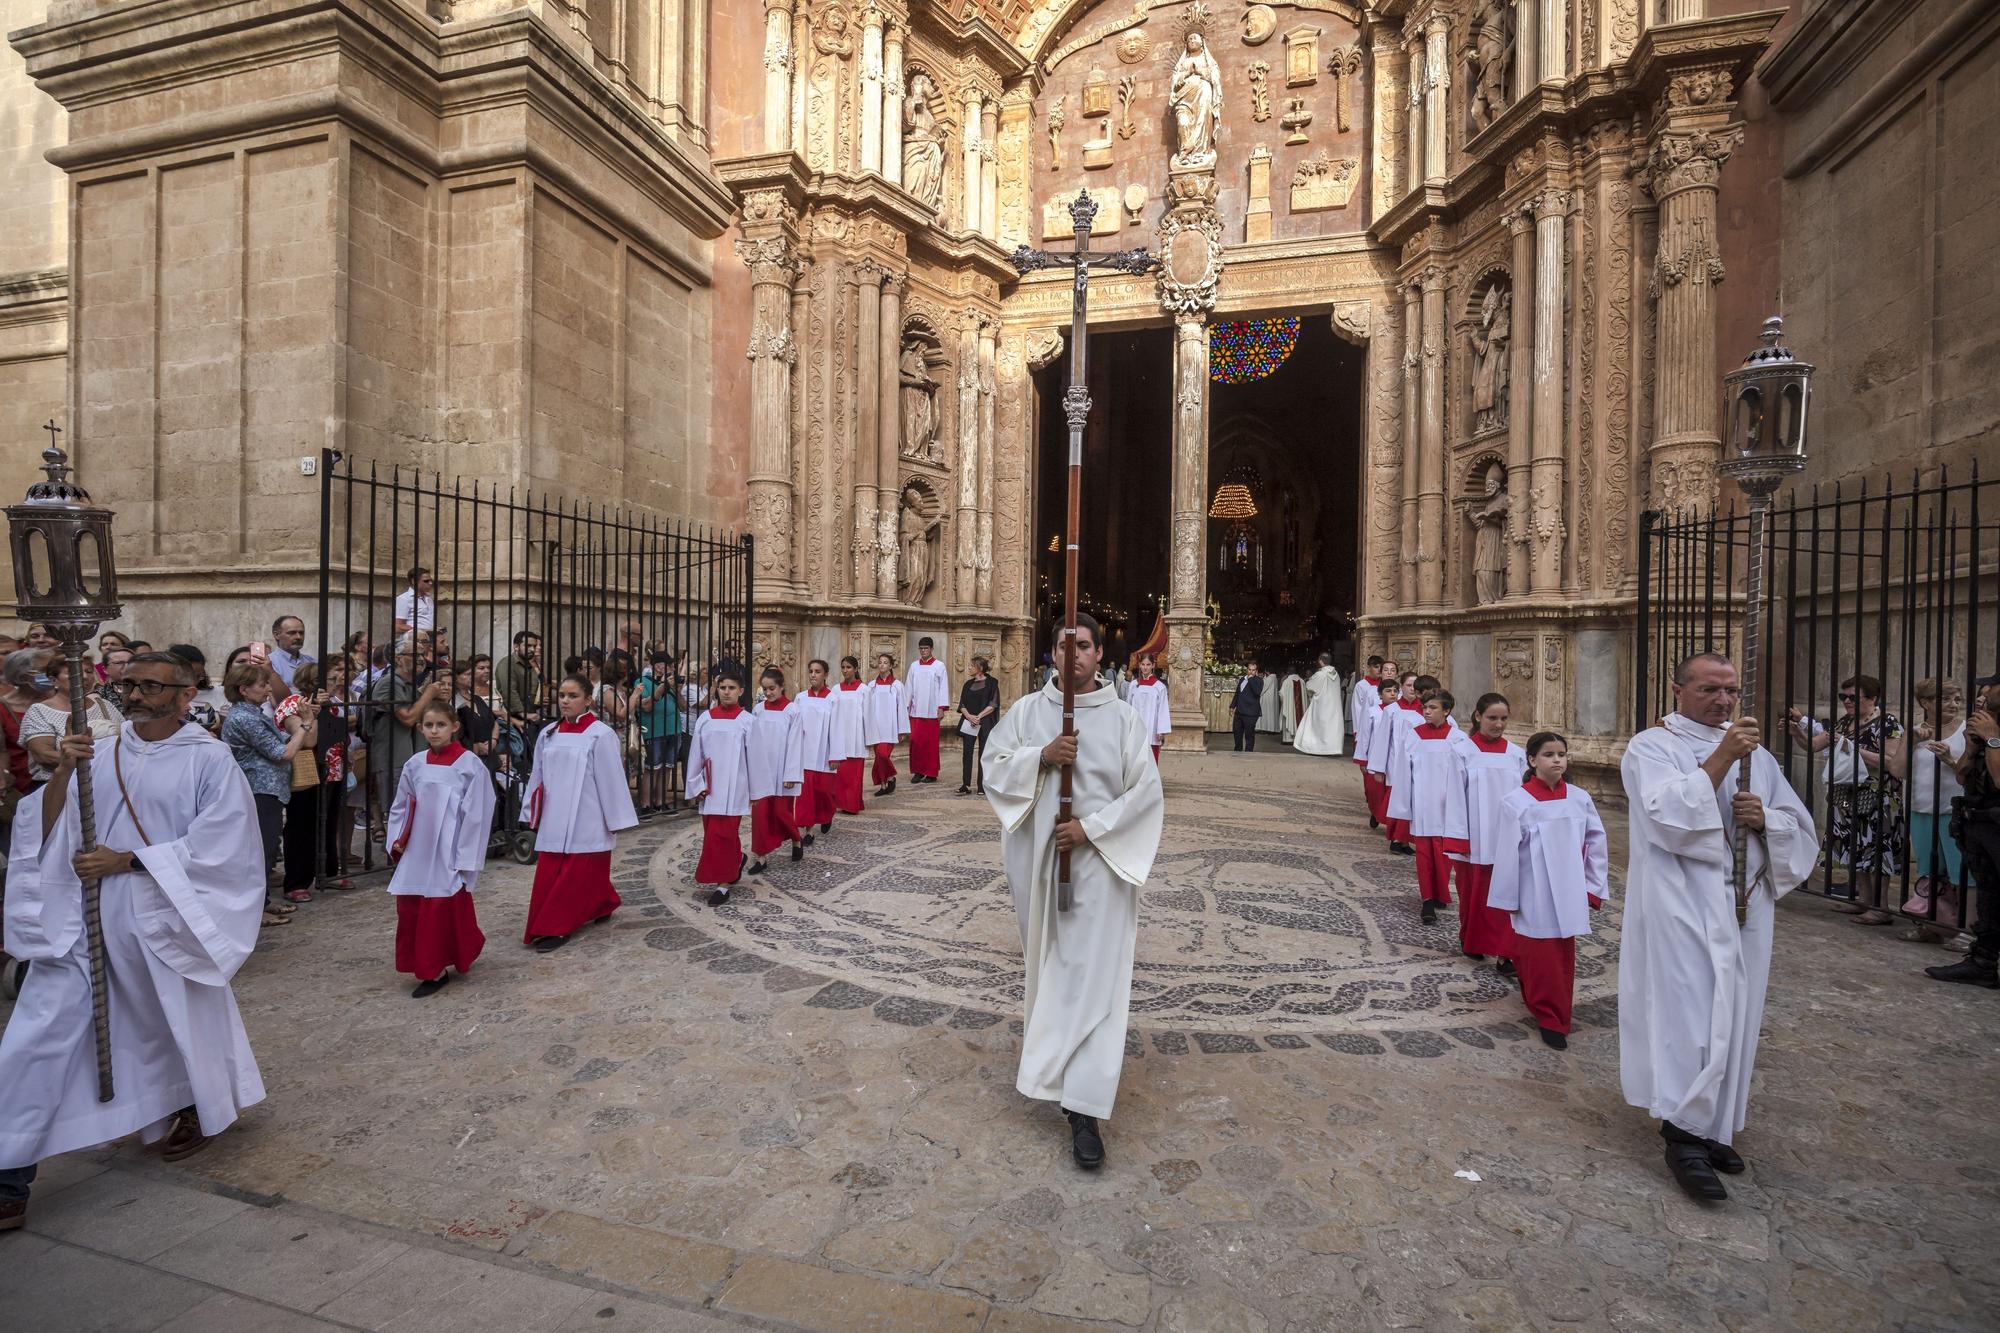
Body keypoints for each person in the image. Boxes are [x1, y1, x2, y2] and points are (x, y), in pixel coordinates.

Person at [0, 652, 267, 1229]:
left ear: (185, 696)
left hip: (166, 915)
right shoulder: (100, 751)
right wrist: (66, 772)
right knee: (36, 1035)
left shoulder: (211, 760)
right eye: (128, 685)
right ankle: (8, 1177)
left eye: (150, 685)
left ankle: (195, 1099)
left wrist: (129, 860)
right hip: (83, 920)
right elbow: (46, 827)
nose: (137, 694)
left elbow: (226, 846)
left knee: (172, 1019)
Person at [1621, 652, 1819, 1201]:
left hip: (1745, 901)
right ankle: (1681, 1135)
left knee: (1738, 1010)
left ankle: (1713, 1126)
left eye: (1730, 691)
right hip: (1681, 901)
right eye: (1710, 689)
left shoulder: (1758, 756)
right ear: (1676, 689)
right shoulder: (1651, 747)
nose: (1724, 701)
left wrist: (1766, 821)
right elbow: (1666, 816)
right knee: (1688, 1012)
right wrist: (1721, 761)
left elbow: (1797, 826)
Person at [982, 613, 1164, 1170]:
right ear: (1051, 654)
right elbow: (993, 766)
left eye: (1083, 646)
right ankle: (1055, 1070)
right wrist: (1041, 758)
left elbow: (1145, 795)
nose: (1074, 655)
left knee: (1092, 979)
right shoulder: (1026, 714)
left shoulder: (1125, 720)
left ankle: (1084, 1109)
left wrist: (1090, 829)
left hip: (1101, 869)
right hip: (1038, 868)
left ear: (1100, 654)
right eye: (1064, 646)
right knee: (1053, 969)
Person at [1488, 731, 1609, 1049]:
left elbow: (1596, 841)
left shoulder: (1579, 798)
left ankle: (1556, 1014)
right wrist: (1509, 898)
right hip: (1534, 888)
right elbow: (1507, 853)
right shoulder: (1517, 802)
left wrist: (1593, 886)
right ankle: (1545, 1010)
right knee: (1537, 953)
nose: (1557, 760)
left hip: (1569, 886)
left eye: (1561, 754)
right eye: (1549, 754)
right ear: (1532, 760)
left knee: (1562, 953)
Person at [384, 697, 494, 998]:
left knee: (442, 906)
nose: (435, 731)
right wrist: (396, 840)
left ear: (454, 727)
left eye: (441, 725)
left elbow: (477, 814)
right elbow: (401, 804)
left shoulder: (469, 765)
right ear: (420, 728)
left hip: (449, 848)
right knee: (412, 906)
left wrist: (466, 856)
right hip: (418, 847)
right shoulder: (415, 764)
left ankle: (434, 968)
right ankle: (427, 960)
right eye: (429, 725)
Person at [522, 674, 639, 951]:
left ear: (588, 700)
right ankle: (602, 903)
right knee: (553, 869)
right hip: (553, 812)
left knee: (578, 870)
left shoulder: (600, 734)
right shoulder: (548, 733)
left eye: (572, 696)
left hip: (587, 813)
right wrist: (531, 809)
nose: (565, 701)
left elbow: (611, 778)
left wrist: (614, 818)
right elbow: (537, 774)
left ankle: (557, 925)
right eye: (562, 695)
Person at [1788, 673, 1906, 923]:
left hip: (1877, 798)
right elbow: (1813, 745)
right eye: (1844, 697)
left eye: (1853, 697)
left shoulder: (1887, 723)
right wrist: (1796, 733)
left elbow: (1891, 761)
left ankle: (1881, 907)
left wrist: (1851, 748)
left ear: (1873, 698)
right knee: (1856, 849)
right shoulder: (1844, 723)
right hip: (1846, 797)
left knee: (1876, 851)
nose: (1847, 701)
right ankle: (1863, 899)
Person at [221, 662, 318, 924]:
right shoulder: (244, 718)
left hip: (267, 790)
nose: (267, 690)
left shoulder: (253, 714)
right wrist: (304, 726)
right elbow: (282, 754)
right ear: (243, 689)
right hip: (258, 790)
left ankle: (261, 901)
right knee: (259, 851)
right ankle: (255, 911)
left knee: (264, 848)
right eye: (262, 685)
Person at [1927, 675, 2000, 988]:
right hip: (1980, 824)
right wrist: (1972, 748)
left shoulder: (1994, 733)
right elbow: (1961, 776)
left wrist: (1994, 738)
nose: (1981, 698)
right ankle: (1982, 962)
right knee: (1989, 897)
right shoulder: (1983, 732)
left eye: (1988, 692)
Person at [1887, 679, 1968, 942]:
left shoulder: (1966, 730)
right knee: (1929, 872)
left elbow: (1973, 774)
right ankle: (1933, 925)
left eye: (1957, 699)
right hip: (1921, 809)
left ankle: (1966, 931)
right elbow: (1897, 771)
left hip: (1954, 810)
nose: (1953, 705)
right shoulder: (1915, 731)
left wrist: (1950, 760)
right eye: (1945, 699)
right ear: (1926, 703)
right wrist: (1910, 741)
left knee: (1961, 873)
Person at [1451, 693, 1524, 971]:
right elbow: (1456, 797)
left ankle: (1506, 951)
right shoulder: (1462, 751)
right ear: (1478, 717)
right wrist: (1459, 837)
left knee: (1506, 893)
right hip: (1475, 836)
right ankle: (1473, 940)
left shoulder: (1517, 755)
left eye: (1504, 719)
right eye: (1493, 718)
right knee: (1474, 893)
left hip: (1507, 837)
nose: (1499, 724)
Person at [1394, 687, 1465, 925]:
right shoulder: (1414, 735)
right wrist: (1404, 805)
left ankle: (1440, 892)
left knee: (1444, 854)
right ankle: (1427, 900)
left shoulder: (1458, 739)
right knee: (1424, 854)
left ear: (1446, 711)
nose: (1426, 711)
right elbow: (1404, 771)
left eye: (1433, 708)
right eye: (1425, 707)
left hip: (1448, 806)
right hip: (1423, 803)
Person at [685, 670, 755, 904]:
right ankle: (736, 858)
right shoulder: (706, 718)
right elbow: (696, 753)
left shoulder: (747, 721)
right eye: (723, 687)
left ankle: (723, 884)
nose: (726, 692)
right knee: (713, 833)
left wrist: (755, 791)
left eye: (731, 688)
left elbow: (755, 759)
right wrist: (696, 784)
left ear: (741, 692)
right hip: (711, 786)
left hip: (736, 787)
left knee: (723, 834)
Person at [274, 664, 326, 905]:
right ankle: (295, 881)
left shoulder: (335, 700)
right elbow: (309, 740)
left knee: (320, 824)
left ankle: (321, 873)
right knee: (299, 826)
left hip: (328, 769)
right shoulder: (293, 702)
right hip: (302, 771)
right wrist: (312, 715)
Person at [748, 667, 807, 872]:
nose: (768, 693)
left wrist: (791, 773)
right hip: (762, 771)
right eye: (765, 689)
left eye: (772, 688)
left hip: (782, 771)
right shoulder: (758, 710)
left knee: (781, 813)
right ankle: (760, 857)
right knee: (760, 814)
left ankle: (796, 839)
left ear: (782, 687)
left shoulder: (792, 710)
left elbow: (795, 743)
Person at [1377, 674, 1430, 854]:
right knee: (1399, 801)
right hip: (1395, 761)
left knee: (1412, 801)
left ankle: (1405, 841)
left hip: (1418, 763)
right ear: (1402, 687)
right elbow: (1383, 740)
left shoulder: (1426, 711)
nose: (1412, 689)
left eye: (1415, 686)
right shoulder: (1391, 710)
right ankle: (1396, 838)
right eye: (1408, 685)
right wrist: (1378, 767)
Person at [793, 659, 840, 833]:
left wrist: (835, 754)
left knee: (824, 792)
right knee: (806, 794)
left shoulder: (833, 699)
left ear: (825, 674)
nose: (813, 674)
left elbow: (837, 728)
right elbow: (795, 726)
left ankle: (827, 814)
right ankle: (808, 831)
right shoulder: (800, 698)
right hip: (805, 752)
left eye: (817, 671)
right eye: (811, 671)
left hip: (824, 752)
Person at [0, 649, 53, 799]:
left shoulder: (59, 700)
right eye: (44, 671)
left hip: (56, 781)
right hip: (21, 786)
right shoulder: (3, 707)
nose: (51, 675)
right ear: (23, 677)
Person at [635, 653, 680, 817]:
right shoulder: (642, 682)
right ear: (657, 665)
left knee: (667, 767)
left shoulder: (672, 683)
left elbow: (682, 706)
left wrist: (676, 689)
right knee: (652, 768)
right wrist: (662, 686)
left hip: (673, 728)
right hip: (654, 729)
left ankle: (661, 801)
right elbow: (645, 706)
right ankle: (646, 804)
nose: (672, 668)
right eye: (668, 664)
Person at [905, 637, 951, 785]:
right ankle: (917, 772)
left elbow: (943, 687)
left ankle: (931, 773)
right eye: (921, 648)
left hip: (932, 711)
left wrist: (941, 707)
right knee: (915, 742)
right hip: (916, 710)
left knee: (930, 744)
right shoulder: (914, 666)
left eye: (926, 648)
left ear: (931, 649)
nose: (923, 651)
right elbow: (909, 687)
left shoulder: (939, 666)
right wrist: (906, 706)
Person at [864, 652, 907, 797]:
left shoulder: (897, 686)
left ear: (890, 666)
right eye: (880, 662)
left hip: (890, 728)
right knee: (878, 757)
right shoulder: (871, 686)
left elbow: (902, 708)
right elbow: (867, 708)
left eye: (885, 662)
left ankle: (890, 777)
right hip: (875, 728)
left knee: (882, 755)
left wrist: (902, 730)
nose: (882, 665)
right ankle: (884, 784)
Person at [829, 656, 868, 814]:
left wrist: (870, 737)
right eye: (843, 667)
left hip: (857, 736)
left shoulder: (864, 689)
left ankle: (852, 804)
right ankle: (843, 802)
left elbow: (869, 715)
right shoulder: (836, 690)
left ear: (856, 669)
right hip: (840, 735)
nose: (845, 670)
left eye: (849, 667)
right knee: (842, 774)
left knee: (854, 773)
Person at [1294, 653, 1345, 757]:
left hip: (1321, 705)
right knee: (1332, 727)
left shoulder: (1320, 674)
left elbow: (1310, 686)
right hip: (1334, 706)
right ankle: (1332, 749)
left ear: (1321, 661)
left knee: (1317, 727)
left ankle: (1318, 748)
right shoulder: (1336, 674)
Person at [1124, 654, 1168, 762]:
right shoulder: (1134, 684)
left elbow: (1163, 709)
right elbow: (1128, 706)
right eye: (1143, 664)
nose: (1145, 667)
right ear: (1139, 665)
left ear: (1153, 665)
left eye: (1148, 665)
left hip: (1152, 729)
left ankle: (1151, 779)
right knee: (1135, 760)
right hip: (1136, 726)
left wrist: (1161, 730)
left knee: (1151, 760)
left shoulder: (1159, 687)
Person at [267, 615, 313, 690]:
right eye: (292, 633)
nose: (298, 637)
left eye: (301, 633)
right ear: (276, 635)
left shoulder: (312, 662)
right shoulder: (269, 663)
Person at [393, 566, 437, 636]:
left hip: (429, 639)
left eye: (431, 580)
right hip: (413, 639)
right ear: (414, 581)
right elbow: (397, 627)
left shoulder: (429, 598)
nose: (430, 583)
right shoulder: (404, 598)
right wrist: (422, 631)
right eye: (426, 581)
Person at [1231, 663, 1264, 753]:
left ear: (1256, 671)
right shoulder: (1242, 679)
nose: (1251, 672)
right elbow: (1237, 694)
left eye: (1253, 670)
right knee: (1237, 733)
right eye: (1249, 670)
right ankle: (1237, 751)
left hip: (1251, 713)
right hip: (1239, 712)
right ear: (1247, 670)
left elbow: (1257, 692)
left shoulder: (1259, 681)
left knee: (1249, 735)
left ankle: (1248, 753)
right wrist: (1232, 706)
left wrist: (1251, 680)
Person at [1277, 665, 1305, 745]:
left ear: (1288, 672)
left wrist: (1283, 701)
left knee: (1289, 718)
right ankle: (1297, 739)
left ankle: (1288, 740)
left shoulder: (1286, 681)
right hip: (1300, 709)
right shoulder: (1302, 681)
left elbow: (1282, 695)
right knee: (1298, 718)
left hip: (1289, 708)